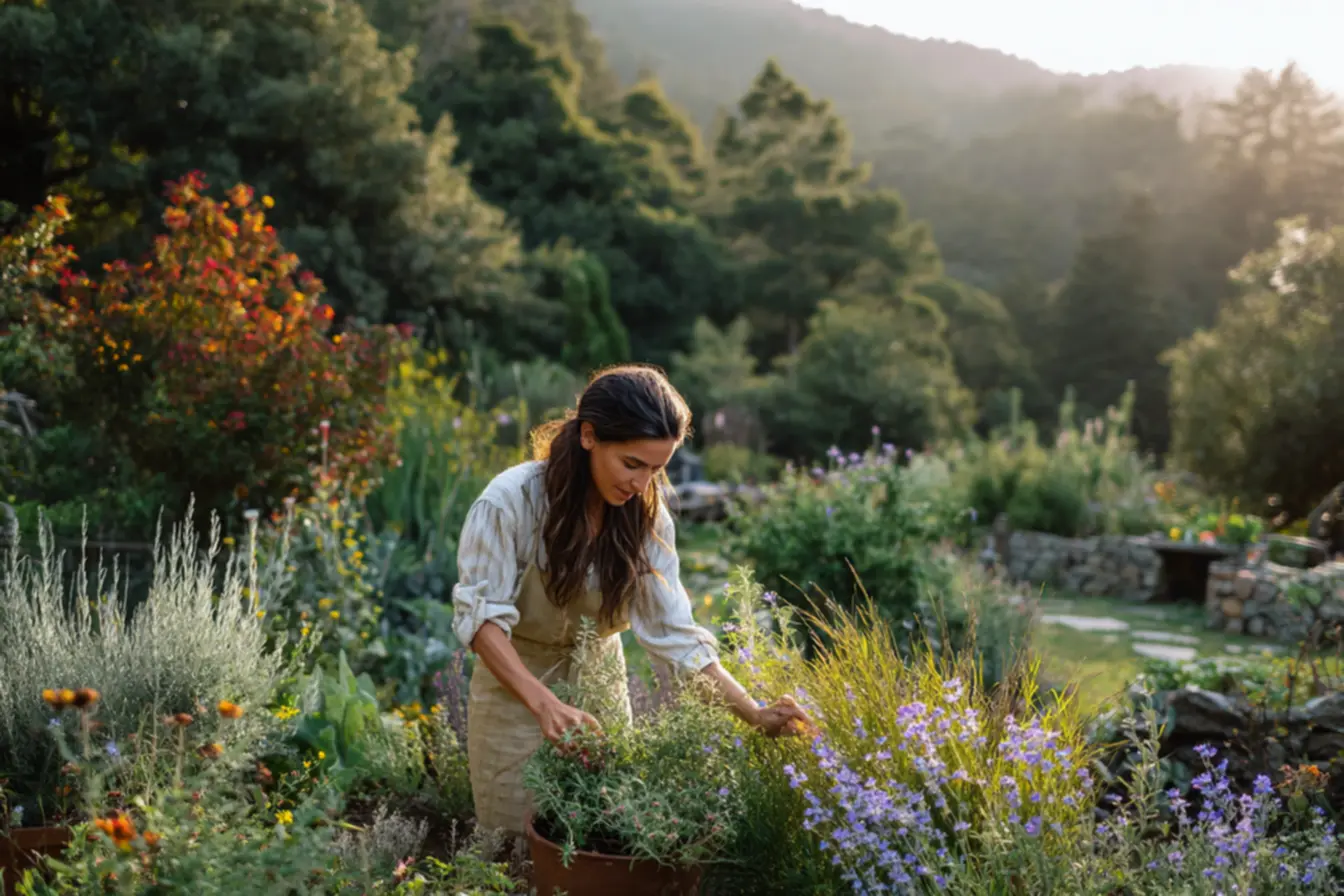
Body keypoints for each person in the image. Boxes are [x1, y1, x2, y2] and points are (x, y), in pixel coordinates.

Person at [452, 365, 811, 834]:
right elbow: (481, 621)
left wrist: (755, 714)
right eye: (631, 464)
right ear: (588, 437)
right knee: (512, 851)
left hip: (600, 689)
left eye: (657, 469)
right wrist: (544, 705)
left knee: (600, 836)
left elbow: (676, 636)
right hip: (515, 693)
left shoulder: (645, 519)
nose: (643, 484)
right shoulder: (510, 502)